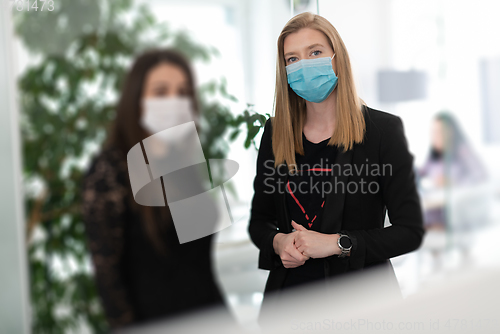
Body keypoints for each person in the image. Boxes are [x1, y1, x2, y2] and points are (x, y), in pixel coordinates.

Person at [247, 12, 425, 323]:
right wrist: (279, 242)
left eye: (314, 52)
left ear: (336, 58)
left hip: (363, 306)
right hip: (289, 304)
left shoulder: (382, 131)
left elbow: (410, 231)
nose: (303, 65)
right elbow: (259, 221)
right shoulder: (275, 133)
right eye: (292, 58)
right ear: (284, 70)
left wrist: (338, 243)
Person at [81, 49, 229, 331]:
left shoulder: (184, 160)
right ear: (136, 100)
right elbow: (109, 280)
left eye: (183, 92)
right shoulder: (110, 170)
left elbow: (198, 266)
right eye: (161, 92)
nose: (174, 101)